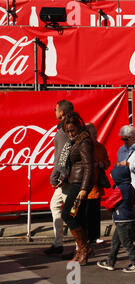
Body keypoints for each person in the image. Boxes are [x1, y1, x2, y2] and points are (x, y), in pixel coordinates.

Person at [60, 112, 94, 265]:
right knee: (76, 216)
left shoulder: (84, 141)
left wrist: (84, 189)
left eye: (72, 130)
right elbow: (75, 164)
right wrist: (64, 179)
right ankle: (82, 250)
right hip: (75, 182)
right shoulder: (76, 141)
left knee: (68, 214)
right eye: (67, 131)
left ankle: (84, 248)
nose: (70, 133)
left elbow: (88, 166)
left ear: (78, 127)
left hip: (79, 185)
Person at [97, 165, 135, 273]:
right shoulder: (130, 187)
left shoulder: (120, 189)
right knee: (116, 242)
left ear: (119, 177)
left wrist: (114, 208)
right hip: (128, 218)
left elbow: (108, 204)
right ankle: (110, 262)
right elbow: (134, 202)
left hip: (122, 220)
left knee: (127, 243)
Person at [44, 100, 73, 256]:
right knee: (56, 205)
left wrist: (55, 176)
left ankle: (79, 247)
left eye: (55, 109)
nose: (54, 111)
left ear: (61, 112)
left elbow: (62, 156)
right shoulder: (71, 128)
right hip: (68, 177)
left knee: (72, 213)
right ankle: (58, 243)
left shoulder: (63, 131)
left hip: (67, 179)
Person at [85, 123, 111, 245]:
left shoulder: (100, 147)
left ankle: (95, 236)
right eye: (92, 133)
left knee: (95, 213)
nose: (95, 135)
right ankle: (85, 237)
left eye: (96, 133)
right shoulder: (83, 147)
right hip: (84, 186)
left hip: (96, 186)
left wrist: (101, 164)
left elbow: (107, 161)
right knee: (85, 213)